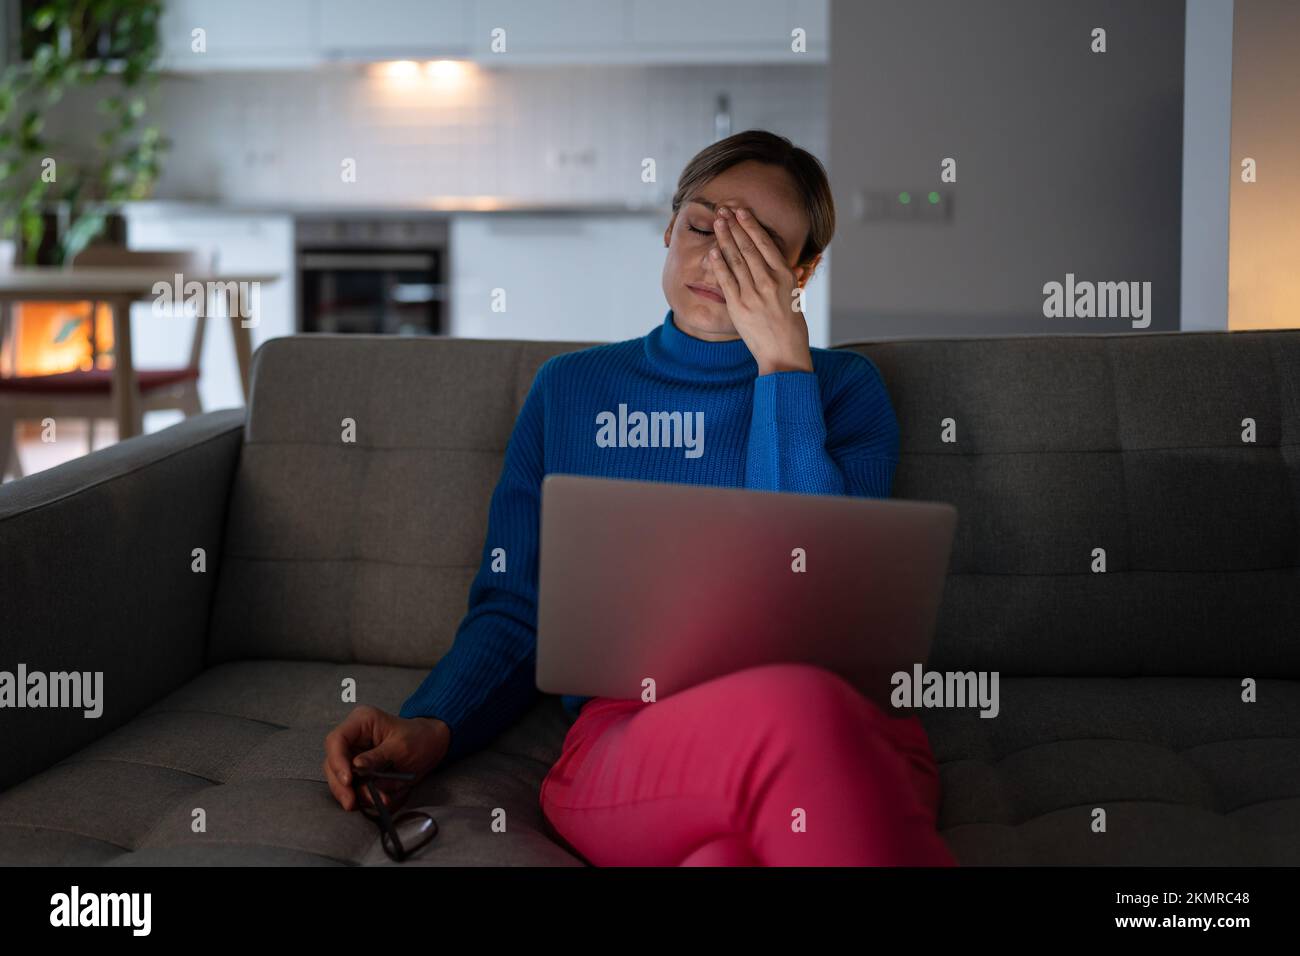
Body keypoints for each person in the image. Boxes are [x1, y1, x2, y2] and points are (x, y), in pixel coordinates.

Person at [323, 129, 956, 867]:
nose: (718, 257)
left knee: (731, 846)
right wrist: (434, 723)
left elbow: (814, 592)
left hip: (847, 730)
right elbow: (519, 606)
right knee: (795, 715)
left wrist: (783, 366)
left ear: (802, 270)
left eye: (755, 246)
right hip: (636, 735)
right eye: (701, 226)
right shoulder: (572, 389)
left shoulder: (847, 391)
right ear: (668, 226)